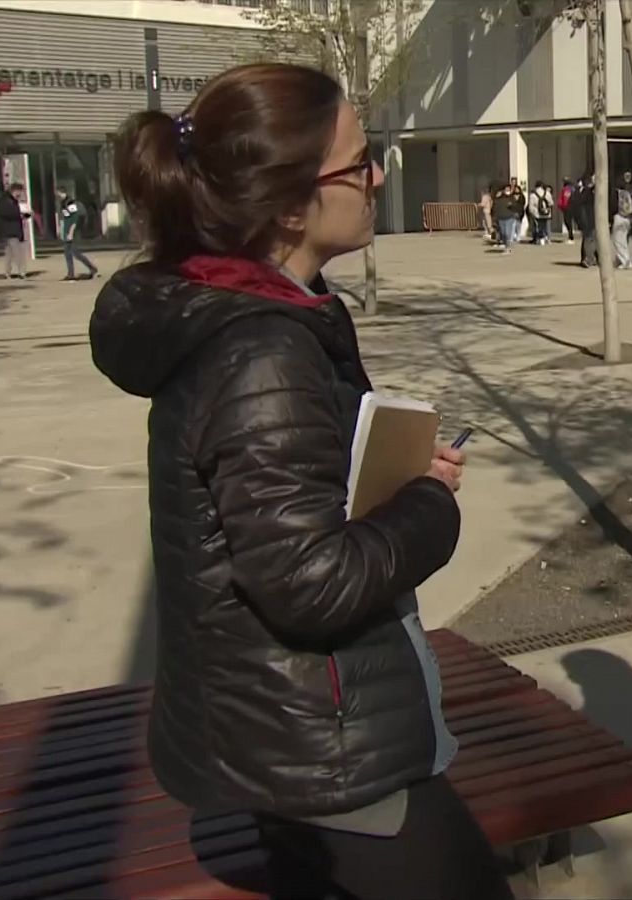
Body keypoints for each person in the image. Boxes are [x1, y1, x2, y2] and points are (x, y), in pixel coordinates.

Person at [87, 62, 511, 900]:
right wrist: (427, 504)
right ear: (287, 206)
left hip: (295, 731)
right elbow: (309, 584)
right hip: (324, 751)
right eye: (358, 164)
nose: (378, 176)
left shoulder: (284, 308)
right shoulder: (261, 352)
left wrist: (386, 470)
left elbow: (289, 507)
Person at [55, 186, 99, 281]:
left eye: (58, 193)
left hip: (73, 231)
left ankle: (92, 268)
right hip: (67, 230)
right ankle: (70, 274)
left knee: (75, 252)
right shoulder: (62, 203)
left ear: (61, 192)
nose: (57, 195)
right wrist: (62, 229)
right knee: (67, 253)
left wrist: (71, 232)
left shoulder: (70, 202)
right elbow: (65, 218)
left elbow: (75, 218)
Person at [0, 182, 32, 279]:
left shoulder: (10, 200)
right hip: (11, 230)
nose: (20, 194)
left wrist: (24, 215)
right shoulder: (7, 201)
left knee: (9, 253)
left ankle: (7, 272)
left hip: (10, 230)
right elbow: (8, 214)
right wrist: (21, 214)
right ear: (15, 191)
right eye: (19, 192)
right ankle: (22, 272)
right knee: (18, 253)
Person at [612, 172, 632, 268]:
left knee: (617, 241)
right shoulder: (629, 193)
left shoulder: (618, 194)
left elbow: (613, 206)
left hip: (619, 217)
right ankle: (624, 260)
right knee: (623, 241)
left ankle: (624, 260)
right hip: (628, 218)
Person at [576, 174, 598, 267]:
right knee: (589, 239)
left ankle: (591, 258)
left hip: (591, 220)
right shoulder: (588, 192)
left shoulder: (587, 192)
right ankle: (588, 259)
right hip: (589, 220)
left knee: (592, 239)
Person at [530, 181, 552, 245]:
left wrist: (533, 213)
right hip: (546, 213)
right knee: (546, 227)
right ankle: (547, 239)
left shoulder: (533, 194)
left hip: (537, 214)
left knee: (538, 227)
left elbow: (531, 206)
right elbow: (551, 203)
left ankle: (539, 239)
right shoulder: (547, 193)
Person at [558, 178, 576, 243]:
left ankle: (571, 237)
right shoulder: (573, 189)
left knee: (567, 222)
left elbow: (562, 199)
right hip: (572, 207)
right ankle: (570, 236)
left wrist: (560, 206)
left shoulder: (565, 190)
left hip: (566, 208)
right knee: (569, 222)